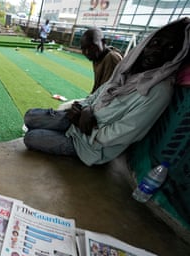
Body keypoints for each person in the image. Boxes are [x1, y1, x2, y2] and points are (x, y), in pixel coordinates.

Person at [24, 18, 190, 166]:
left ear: (178, 55)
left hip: (91, 145)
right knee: (30, 117)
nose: (157, 51)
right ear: (145, 45)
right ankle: (61, 130)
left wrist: (88, 128)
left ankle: (66, 142)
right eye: (155, 43)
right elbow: (99, 93)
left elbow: (124, 133)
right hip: (81, 120)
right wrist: (84, 108)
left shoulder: (159, 91)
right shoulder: (129, 69)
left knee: (31, 137)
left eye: (170, 47)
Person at [81, 27, 123, 93]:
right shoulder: (97, 57)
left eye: (91, 47)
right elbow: (98, 86)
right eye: (83, 49)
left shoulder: (111, 58)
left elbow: (107, 92)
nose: (87, 52)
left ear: (103, 42)